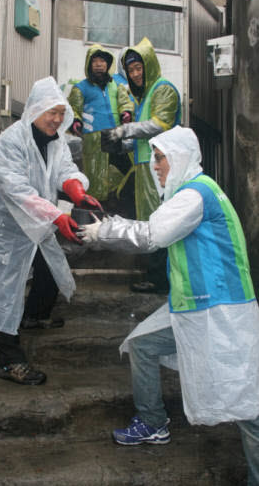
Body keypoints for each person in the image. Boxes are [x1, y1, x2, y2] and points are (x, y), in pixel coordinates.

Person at [79, 126, 259, 485]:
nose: (154, 166)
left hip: (220, 314)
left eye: (160, 158)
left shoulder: (195, 195)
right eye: (155, 158)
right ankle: (152, 423)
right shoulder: (195, 192)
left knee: (247, 402)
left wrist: (104, 231)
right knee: (143, 345)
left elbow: (152, 235)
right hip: (196, 308)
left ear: (179, 158)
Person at [0, 76, 102, 386]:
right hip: (5, 222)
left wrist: (75, 189)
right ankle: (7, 359)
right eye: (52, 112)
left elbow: (65, 170)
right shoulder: (11, 140)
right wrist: (58, 216)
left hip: (38, 215)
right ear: (35, 110)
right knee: (6, 284)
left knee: (49, 265)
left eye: (62, 113)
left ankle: (34, 315)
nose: (58, 119)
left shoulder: (56, 140)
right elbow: (16, 189)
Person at [102, 37, 181, 293]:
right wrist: (119, 144)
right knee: (148, 220)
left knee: (158, 221)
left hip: (159, 168)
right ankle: (156, 275)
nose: (135, 74)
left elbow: (159, 125)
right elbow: (140, 140)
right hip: (145, 167)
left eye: (139, 68)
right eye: (131, 70)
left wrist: (124, 130)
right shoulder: (145, 96)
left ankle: (160, 279)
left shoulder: (163, 90)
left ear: (149, 66)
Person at [68, 44, 134, 204]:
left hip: (115, 136)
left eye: (102, 61)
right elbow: (72, 109)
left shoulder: (117, 86)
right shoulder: (80, 88)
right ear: (89, 65)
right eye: (95, 61)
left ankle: (120, 200)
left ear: (108, 64)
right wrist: (75, 121)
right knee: (96, 177)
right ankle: (97, 207)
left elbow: (125, 103)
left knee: (127, 171)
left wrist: (126, 113)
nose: (99, 65)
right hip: (94, 140)